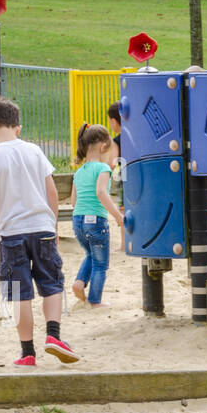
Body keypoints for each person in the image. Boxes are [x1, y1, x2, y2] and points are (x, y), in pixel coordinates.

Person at [0, 96, 79, 367]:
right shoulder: (34, 151)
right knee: (52, 284)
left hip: (10, 235)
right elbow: (52, 192)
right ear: (18, 128)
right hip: (41, 228)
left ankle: (27, 352)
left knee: (19, 293)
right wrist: (53, 227)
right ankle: (53, 335)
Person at [69, 123, 125, 307]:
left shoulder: (79, 172)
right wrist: (117, 216)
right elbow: (101, 192)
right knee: (101, 264)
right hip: (96, 221)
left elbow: (73, 202)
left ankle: (79, 282)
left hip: (78, 221)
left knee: (90, 254)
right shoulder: (103, 169)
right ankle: (94, 301)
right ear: (103, 147)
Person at [106, 101, 123, 169]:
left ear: (113, 121)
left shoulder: (116, 142)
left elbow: (112, 164)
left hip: (127, 177)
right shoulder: (136, 136)